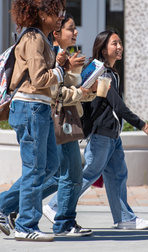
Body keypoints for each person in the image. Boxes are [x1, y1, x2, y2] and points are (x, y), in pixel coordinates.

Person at [0, 0, 80, 242]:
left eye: (60, 11)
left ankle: (2, 204)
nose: (59, 16)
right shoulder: (34, 39)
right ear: (39, 14)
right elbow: (39, 79)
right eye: (54, 11)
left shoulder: (42, 39)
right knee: (36, 169)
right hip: (30, 109)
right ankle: (26, 226)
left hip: (38, 109)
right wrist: (60, 72)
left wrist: (59, 66)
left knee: (49, 166)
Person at [43, 29, 148, 230]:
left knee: (118, 175)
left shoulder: (111, 72)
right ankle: (55, 206)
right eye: (114, 43)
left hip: (112, 135)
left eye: (120, 43)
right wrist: (142, 124)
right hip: (102, 133)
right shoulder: (102, 72)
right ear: (103, 50)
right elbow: (117, 105)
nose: (119, 46)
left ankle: (124, 217)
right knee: (88, 173)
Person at [35, 13, 95, 237]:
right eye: (71, 29)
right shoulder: (54, 58)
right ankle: (64, 223)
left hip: (68, 119)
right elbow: (53, 93)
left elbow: (75, 94)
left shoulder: (68, 56)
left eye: (75, 28)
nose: (75, 32)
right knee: (72, 175)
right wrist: (74, 80)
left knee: (61, 175)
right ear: (57, 34)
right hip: (58, 120)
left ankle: (14, 205)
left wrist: (91, 89)